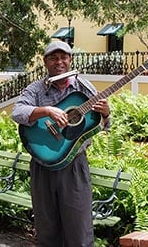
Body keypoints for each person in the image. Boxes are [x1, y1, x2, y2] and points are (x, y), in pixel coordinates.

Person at [11, 41, 111, 247]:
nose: (59, 62)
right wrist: (46, 110)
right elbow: (17, 112)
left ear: (70, 60)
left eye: (63, 57)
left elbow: (103, 125)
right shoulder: (37, 89)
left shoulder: (83, 88)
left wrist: (106, 113)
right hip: (43, 164)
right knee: (47, 229)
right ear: (45, 62)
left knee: (79, 230)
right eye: (54, 58)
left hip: (74, 165)